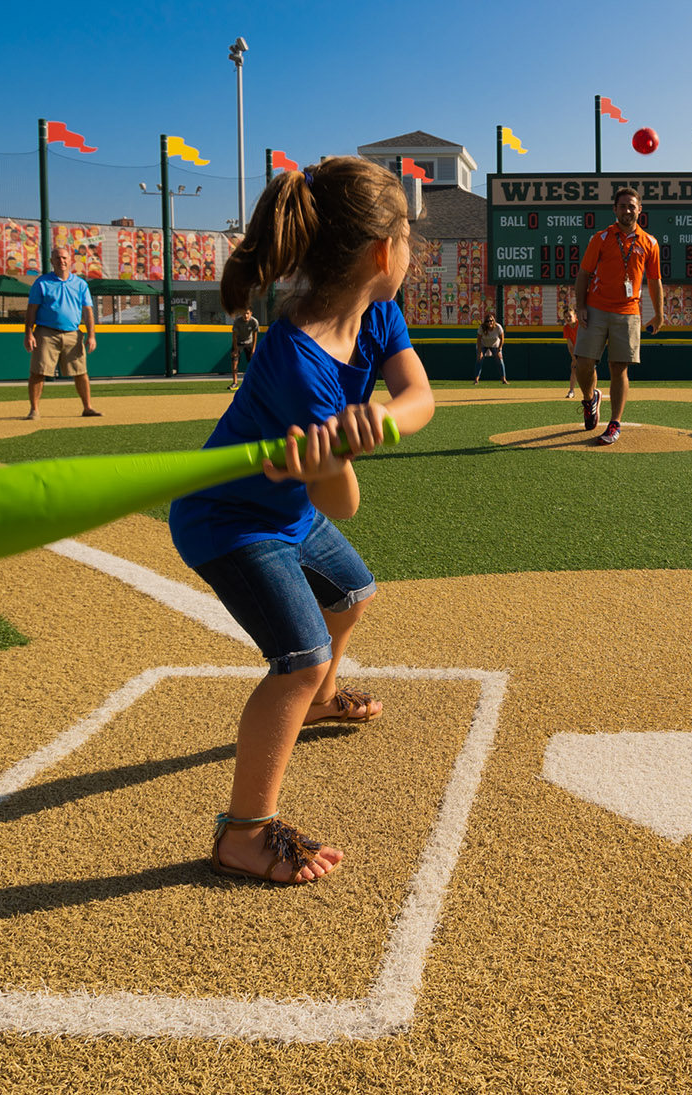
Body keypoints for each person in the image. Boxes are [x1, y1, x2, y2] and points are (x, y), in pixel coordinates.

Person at [168, 155, 435, 885]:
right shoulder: (295, 358)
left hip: (285, 506)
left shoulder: (378, 312)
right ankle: (244, 831)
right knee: (302, 653)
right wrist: (337, 452)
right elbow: (341, 499)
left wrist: (377, 418)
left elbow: (419, 395)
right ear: (384, 253)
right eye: (409, 239)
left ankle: (318, 704)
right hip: (231, 520)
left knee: (352, 593)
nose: (412, 252)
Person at [573, 187, 664, 445]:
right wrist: (580, 305)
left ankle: (614, 423)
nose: (627, 210)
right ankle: (590, 399)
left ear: (639, 210)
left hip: (628, 312)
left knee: (618, 367)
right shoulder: (600, 238)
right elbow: (583, 275)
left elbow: (655, 280)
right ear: (614, 209)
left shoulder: (650, 243)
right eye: (622, 206)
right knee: (583, 364)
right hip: (596, 308)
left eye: (631, 206)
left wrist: (659, 314)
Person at [23, 246, 101, 420]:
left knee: (81, 372)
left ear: (70, 260)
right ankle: (34, 409)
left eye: (64, 258)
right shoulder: (42, 283)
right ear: (52, 261)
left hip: (73, 333)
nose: (62, 261)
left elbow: (88, 312)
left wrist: (92, 336)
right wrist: (29, 334)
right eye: (58, 258)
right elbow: (31, 310)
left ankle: (87, 407)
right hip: (45, 333)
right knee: (38, 371)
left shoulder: (80, 284)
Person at [229, 306, 259, 391]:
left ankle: (254, 383)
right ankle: (235, 383)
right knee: (234, 363)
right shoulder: (237, 321)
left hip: (249, 343)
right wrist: (235, 349)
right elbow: (234, 336)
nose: (245, 315)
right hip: (238, 343)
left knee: (253, 364)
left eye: (247, 313)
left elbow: (255, 336)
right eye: (244, 313)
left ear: (251, 314)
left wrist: (253, 349)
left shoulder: (254, 322)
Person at [474, 313, 506, 384]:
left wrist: (499, 350)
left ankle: (503, 379)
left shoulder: (498, 327)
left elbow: (502, 339)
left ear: (493, 321)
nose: (489, 322)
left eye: (491, 321)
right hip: (483, 344)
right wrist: (480, 352)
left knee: (500, 360)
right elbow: (478, 340)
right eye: (487, 321)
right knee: (479, 360)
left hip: (495, 345)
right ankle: (476, 380)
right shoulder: (482, 328)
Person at [561, 303, 581, 397]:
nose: (568, 319)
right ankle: (571, 391)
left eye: (570, 316)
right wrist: (574, 358)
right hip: (576, 350)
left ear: (575, 316)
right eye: (566, 317)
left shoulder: (581, 325)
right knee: (574, 367)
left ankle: (593, 391)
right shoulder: (566, 328)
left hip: (586, 348)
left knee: (591, 370)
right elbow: (570, 345)